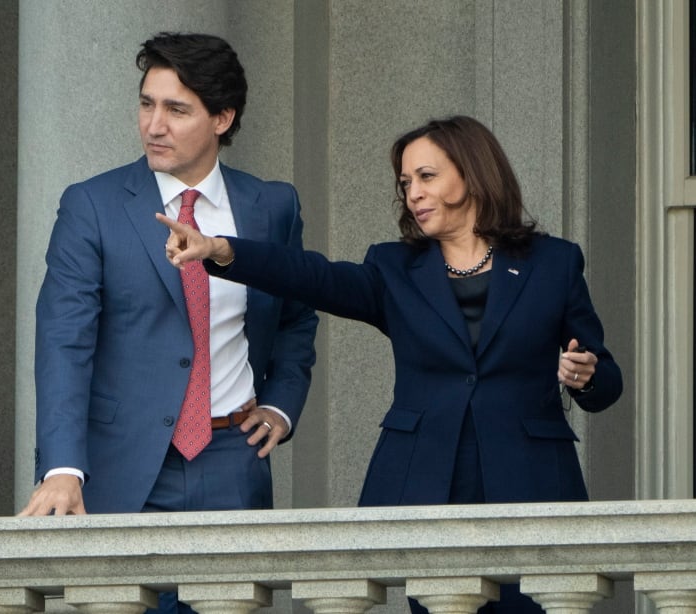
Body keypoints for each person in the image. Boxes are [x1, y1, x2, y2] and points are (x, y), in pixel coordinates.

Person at [157, 115, 623, 613]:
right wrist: (223, 251)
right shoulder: (394, 268)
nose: (413, 194)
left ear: (472, 173)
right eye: (405, 183)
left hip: (529, 480)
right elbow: (313, 276)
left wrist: (587, 375)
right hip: (431, 481)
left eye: (427, 176)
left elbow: (606, 378)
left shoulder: (553, 262)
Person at [19, 31, 318, 614]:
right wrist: (61, 466)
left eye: (176, 109)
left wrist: (282, 404)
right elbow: (63, 340)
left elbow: (296, 314)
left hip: (232, 458)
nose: (154, 124)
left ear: (223, 118)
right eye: (146, 103)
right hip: (119, 462)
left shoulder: (272, 206)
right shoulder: (92, 205)